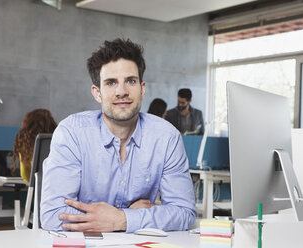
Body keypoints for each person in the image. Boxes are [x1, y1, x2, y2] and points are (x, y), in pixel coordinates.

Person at [40, 38, 196, 233]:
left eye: (131, 81)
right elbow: (53, 216)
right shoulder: (72, 133)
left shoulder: (167, 137)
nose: (122, 92)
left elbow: (184, 212)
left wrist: (121, 220)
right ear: (97, 93)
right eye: (111, 82)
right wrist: (127, 217)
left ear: (142, 89)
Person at [12, 109, 57, 182]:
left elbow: (26, 177)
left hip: (36, 191)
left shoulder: (26, 142)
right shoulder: (59, 139)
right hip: (60, 188)